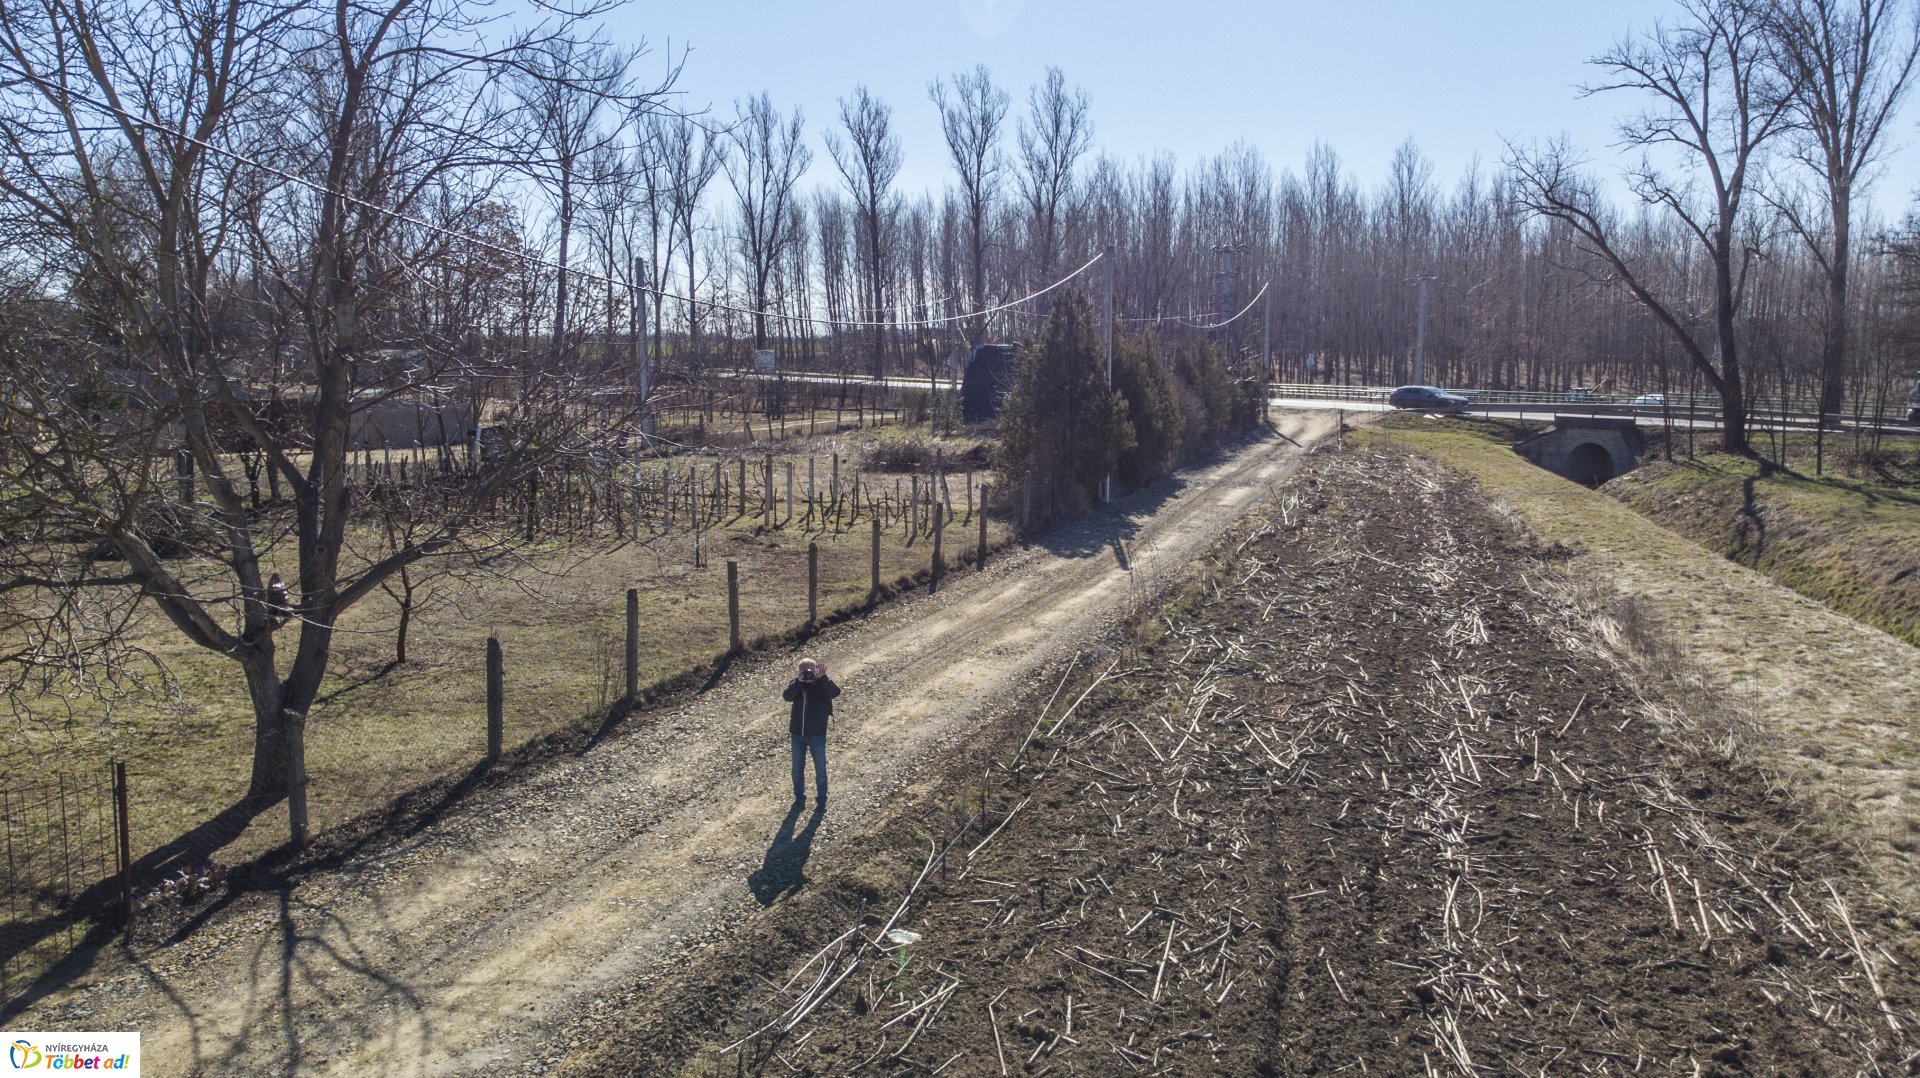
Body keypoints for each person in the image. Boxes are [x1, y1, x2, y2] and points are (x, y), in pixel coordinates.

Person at [782, 657, 839, 806]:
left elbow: (835, 692)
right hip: (797, 734)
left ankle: (822, 798)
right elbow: (787, 696)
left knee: (820, 769)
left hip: (817, 734)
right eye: (803, 671)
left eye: (811, 670)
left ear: (816, 670)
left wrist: (823, 677)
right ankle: (799, 797)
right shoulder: (796, 684)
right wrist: (798, 682)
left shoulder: (822, 683)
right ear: (799, 672)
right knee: (797, 769)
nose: (807, 673)